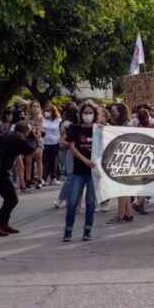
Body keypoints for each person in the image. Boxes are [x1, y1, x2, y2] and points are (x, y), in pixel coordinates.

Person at [0, 122, 37, 237]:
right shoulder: (18, 139)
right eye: (29, 132)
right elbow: (34, 152)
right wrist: (37, 139)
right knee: (11, 199)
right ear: (25, 131)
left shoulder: (8, 134)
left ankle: (3, 224)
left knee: (10, 198)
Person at [63, 102, 98, 242]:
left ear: (95, 114)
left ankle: (87, 230)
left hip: (94, 172)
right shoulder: (75, 128)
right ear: (81, 114)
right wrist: (84, 160)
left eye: (90, 113)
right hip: (79, 170)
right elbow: (71, 146)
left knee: (90, 202)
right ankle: (68, 231)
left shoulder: (98, 129)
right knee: (72, 201)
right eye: (85, 113)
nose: (88, 115)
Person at [41, 104, 62, 186]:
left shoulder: (58, 120)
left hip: (55, 142)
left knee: (53, 161)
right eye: (46, 111)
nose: (46, 112)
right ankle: (43, 178)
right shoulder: (43, 119)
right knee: (44, 161)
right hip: (45, 142)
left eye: (48, 111)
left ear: (53, 112)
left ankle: (53, 178)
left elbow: (61, 130)